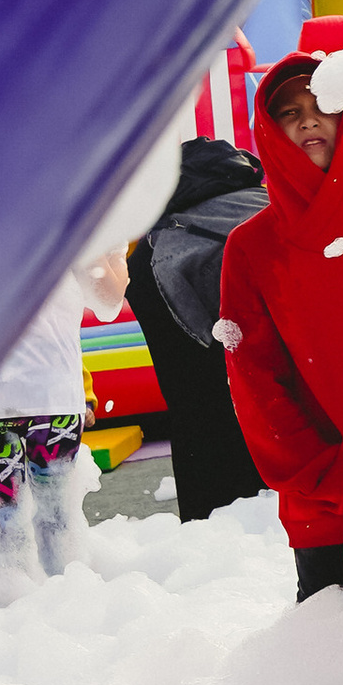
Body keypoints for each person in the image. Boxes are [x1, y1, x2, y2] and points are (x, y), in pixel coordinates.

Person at [219, 51, 343, 599]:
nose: (309, 121)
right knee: (333, 645)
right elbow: (256, 382)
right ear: (269, 130)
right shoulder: (250, 247)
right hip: (329, 505)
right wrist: (327, 475)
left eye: (323, 105)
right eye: (289, 112)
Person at [124, 130, 266, 522]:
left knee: (197, 418)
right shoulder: (265, 210)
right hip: (273, 404)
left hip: (201, 425)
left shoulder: (154, 247)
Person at [0, 278, 93, 598]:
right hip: (39, 394)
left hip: (11, 397)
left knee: (13, 523)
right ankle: (63, 602)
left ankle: (44, 604)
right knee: (46, 520)